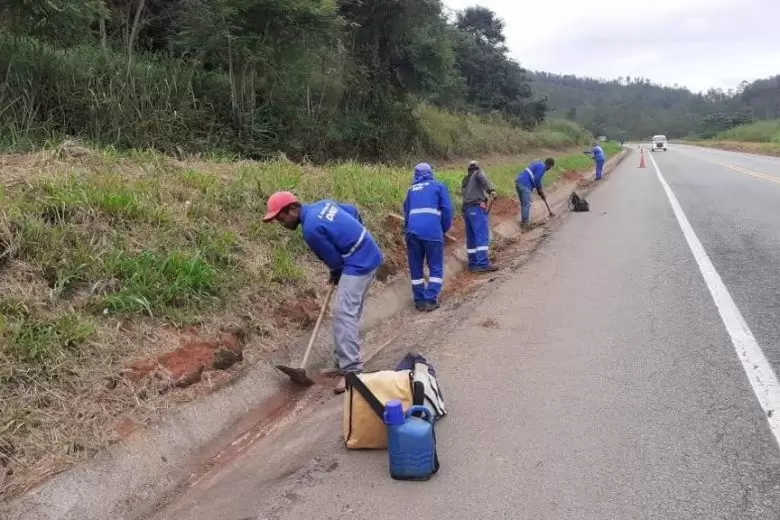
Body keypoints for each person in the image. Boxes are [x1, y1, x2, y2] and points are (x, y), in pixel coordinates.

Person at [263, 191, 383, 394]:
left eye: (281, 217)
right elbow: (353, 211)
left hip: (360, 262)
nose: (280, 223)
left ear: (293, 209)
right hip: (365, 252)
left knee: (343, 313)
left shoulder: (310, 230)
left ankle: (352, 373)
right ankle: (343, 360)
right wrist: (357, 234)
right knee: (348, 313)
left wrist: (337, 273)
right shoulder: (322, 204)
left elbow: (335, 262)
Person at [402, 163, 453, 312]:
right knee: (435, 266)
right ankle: (430, 299)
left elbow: (406, 213)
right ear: (430, 173)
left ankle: (419, 301)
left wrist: (409, 229)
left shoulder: (411, 190)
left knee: (416, 267)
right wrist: (443, 228)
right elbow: (447, 210)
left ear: (415, 175)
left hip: (412, 233)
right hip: (432, 232)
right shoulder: (438, 186)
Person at [461, 161, 498, 273]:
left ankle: (473, 264)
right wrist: (491, 191)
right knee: (481, 235)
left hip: (466, 210)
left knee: (471, 237)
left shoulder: (465, 180)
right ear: (476, 167)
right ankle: (482, 263)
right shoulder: (478, 173)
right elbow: (484, 179)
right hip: (476, 209)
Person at [515, 158, 555, 228]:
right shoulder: (542, 167)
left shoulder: (539, 164)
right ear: (549, 165)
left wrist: (540, 192)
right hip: (525, 184)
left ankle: (524, 221)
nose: (550, 169)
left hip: (519, 182)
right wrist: (540, 191)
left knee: (524, 203)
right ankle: (525, 224)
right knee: (527, 203)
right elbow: (537, 180)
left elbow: (535, 178)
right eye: (551, 167)